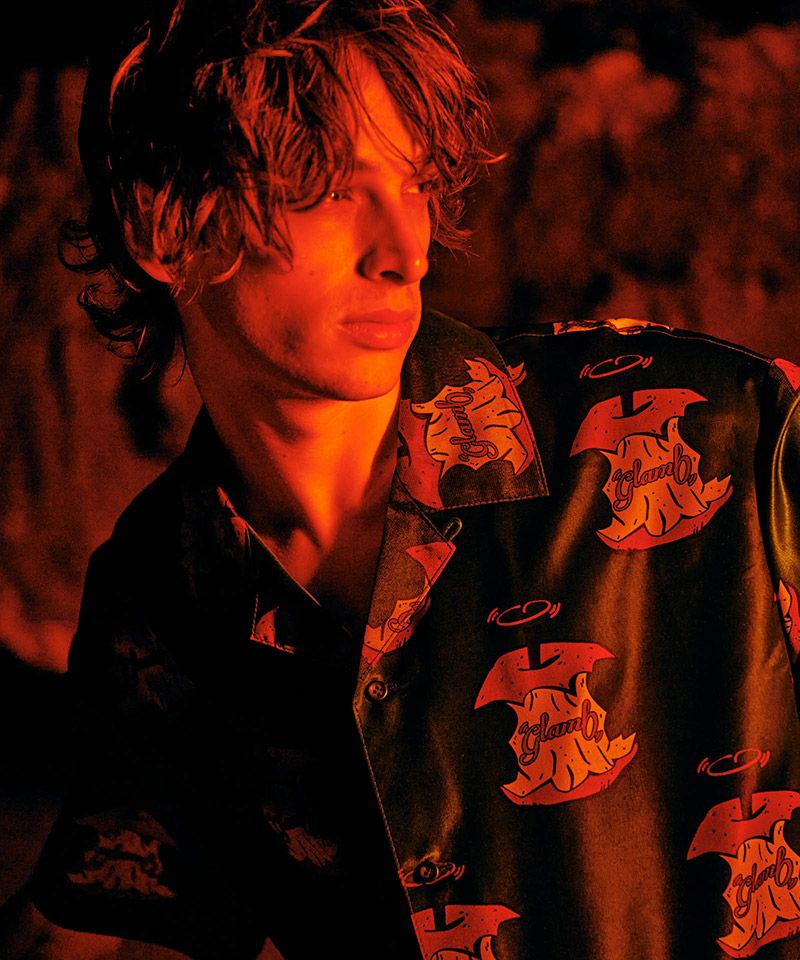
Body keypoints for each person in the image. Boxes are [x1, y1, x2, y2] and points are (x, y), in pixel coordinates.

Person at [4, 1, 800, 958]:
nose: (405, 250)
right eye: (331, 189)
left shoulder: (720, 422)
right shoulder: (158, 592)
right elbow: (109, 923)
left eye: (416, 182)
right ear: (165, 225)